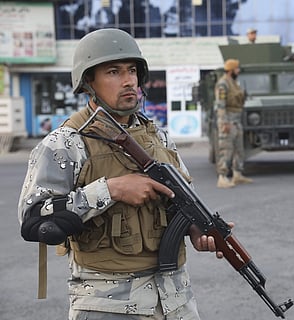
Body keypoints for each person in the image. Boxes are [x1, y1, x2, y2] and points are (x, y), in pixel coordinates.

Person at [18, 28, 227, 320]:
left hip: (175, 301)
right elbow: (33, 219)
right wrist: (111, 189)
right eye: (114, 72)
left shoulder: (159, 137)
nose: (129, 81)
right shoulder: (66, 143)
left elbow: (180, 199)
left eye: (132, 71)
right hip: (108, 305)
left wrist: (196, 230)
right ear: (87, 81)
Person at [214, 59, 253, 188]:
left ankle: (237, 174)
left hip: (236, 120)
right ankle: (222, 177)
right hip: (228, 120)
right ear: (231, 70)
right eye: (237, 69)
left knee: (238, 149)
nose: (239, 71)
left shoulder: (234, 83)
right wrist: (224, 122)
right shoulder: (223, 84)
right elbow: (221, 105)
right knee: (226, 149)